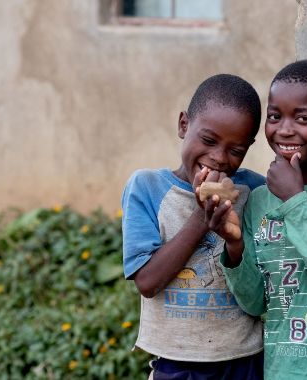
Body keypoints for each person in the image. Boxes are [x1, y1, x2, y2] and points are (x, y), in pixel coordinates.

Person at [204, 59, 307, 379]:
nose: (285, 129)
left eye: (302, 118)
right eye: (275, 116)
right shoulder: (261, 199)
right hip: (279, 370)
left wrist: (294, 200)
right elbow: (254, 303)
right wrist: (235, 246)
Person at [121, 74, 265, 380]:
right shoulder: (147, 188)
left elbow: (260, 284)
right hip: (177, 363)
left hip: (246, 359)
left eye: (236, 150)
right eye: (209, 140)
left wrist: (235, 245)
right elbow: (147, 282)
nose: (219, 158)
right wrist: (202, 218)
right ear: (184, 125)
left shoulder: (255, 191)